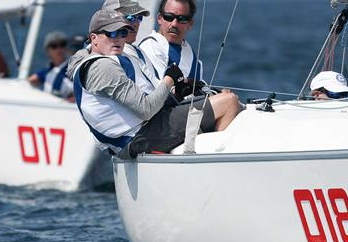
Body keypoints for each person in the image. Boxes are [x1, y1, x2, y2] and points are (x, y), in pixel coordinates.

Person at [69, 9, 240, 157]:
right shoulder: (104, 67)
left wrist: (176, 94)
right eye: (111, 33)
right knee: (228, 101)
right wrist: (169, 78)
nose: (118, 39)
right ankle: (215, 167)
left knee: (217, 100)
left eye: (122, 33)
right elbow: (146, 110)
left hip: (133, 137)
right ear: (94, 38)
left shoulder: (87, 62)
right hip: (138, 137)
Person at [139, 0, 203, 83]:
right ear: (159, 18)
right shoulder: (150, 47)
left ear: (190, 24)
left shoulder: (192, 57)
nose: (174, 24)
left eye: (182, 19)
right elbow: (161, 92)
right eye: (169, 17)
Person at [101, 0, 157, 79]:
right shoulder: (108, 54)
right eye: (130, 17)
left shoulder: (138, 51)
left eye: (139, 18)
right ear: (110, 17)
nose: (136, 24)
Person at [28, 31, 74, 100]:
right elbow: (31, 80)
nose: (59, 49)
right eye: (54, 46)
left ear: (66, 48)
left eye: (62, 44)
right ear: (47, 51)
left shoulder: (73, 69)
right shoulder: (47, 71)